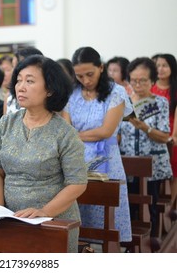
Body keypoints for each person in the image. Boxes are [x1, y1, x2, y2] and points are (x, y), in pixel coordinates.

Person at [0, 55, 87, 253]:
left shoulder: (64, 132)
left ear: (49, 89)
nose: (20, 87)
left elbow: (77, 183)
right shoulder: (6, 123)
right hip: (11, 219)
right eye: (19, 80)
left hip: (53, 222)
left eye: (30, 81)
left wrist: (44, 212)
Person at [61, 46, 133, 243]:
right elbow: (67, 130)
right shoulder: (72, 93)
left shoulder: (116, 92)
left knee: (106, 216)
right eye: (80, 76)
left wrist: (76, 135)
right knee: (78, 216)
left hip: (106, 160)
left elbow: (106, 131)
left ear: (101, 67)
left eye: (90, 74)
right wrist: (78, 136)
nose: (85, 80)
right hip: (75, 160)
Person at [119, 57, 172, 242]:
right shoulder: (124, 103)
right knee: (130, 205)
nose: (138, 84)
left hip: (153, 164)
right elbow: (117, 134)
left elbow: (165, 136)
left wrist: (145, 127)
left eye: (143, 80)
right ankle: (132, 241)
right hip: (128, 163)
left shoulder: (160, 103)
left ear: (152, 80)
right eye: (134, 80)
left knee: (152, 204)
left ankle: (154, 238)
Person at [151, 53, 177, 219]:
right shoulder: (150, 87)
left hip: (172, 132)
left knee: (174, 170)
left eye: (164, 65)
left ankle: (171, 207)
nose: (160, 69)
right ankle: (156, 208)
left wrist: (174, 136)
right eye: (158, 65)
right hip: (152, 132)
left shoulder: (175, 89)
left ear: (172, 68)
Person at [6, 47, 43, 114]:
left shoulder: (42, 99)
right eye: (13, 66)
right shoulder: (9, 97)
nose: (13, 70)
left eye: (18, 65)